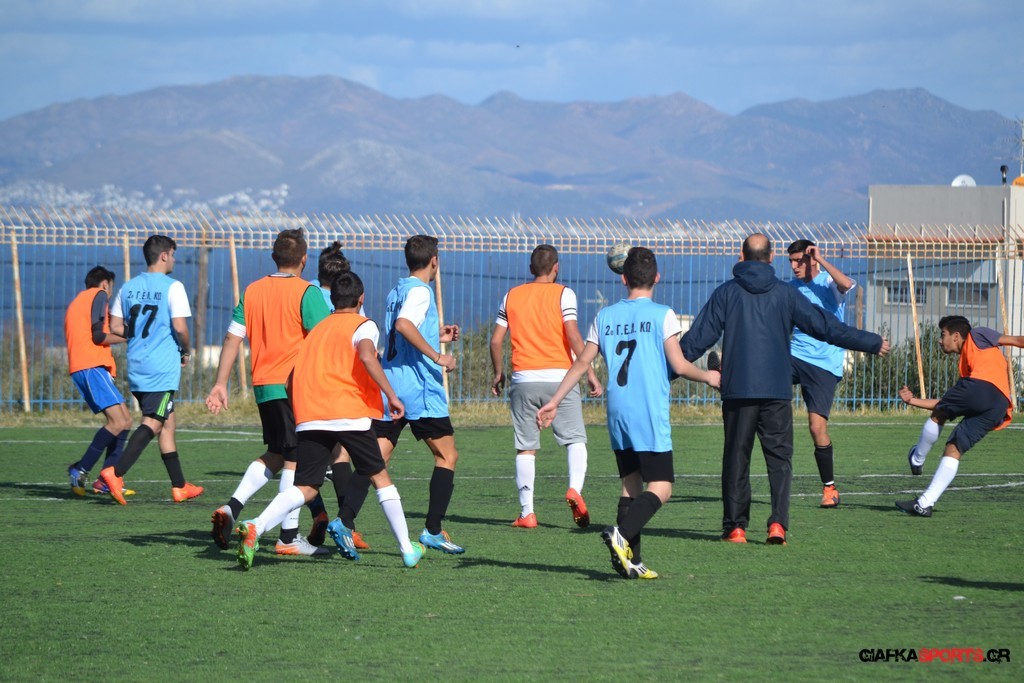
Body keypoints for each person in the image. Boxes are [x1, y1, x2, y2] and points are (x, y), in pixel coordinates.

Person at [680, 233, 888, 545]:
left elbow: (697, 339)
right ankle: (777, 524)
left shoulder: (726, 293)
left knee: (736, 458)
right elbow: (825, 326)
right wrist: (869, 341)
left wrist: (663, 370)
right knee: (779, 460)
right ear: (771, 256)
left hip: (738, 390)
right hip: (776, 390)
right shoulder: (785, 293)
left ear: (742, 255)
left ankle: (736, 528)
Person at [538, 247, 719, 579]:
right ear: (657, 278)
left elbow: (581, 363)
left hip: (618, 412)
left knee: (631, 485)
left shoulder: (604, 316)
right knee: (662, 486)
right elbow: (679, 365)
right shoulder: (663, 314)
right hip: (647, 410)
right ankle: (620, 535)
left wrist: (554, 401)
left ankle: (631, 561)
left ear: (623, 278)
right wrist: (709, 377)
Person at [235, 272, 425, 570]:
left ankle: (256, 525)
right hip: (349, 414)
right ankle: (407, 549)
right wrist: (391, 395)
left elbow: (290, 381)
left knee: (307, 487)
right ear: (361, 299)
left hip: (311, 416)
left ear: (332, 300)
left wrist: (303, 408)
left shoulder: (317, 330)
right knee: (381, 478)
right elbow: (366, 355)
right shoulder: (364, 325)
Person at [330, 235, 466, 555]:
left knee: (376, 459)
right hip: (419, 387)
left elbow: (399, 331)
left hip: (391, 384)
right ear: (434, 261)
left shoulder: (397, 290)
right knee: (447, 456)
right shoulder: (421, 290)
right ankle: (433, 531)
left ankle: (344, 521)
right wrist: (439, 356)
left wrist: (437, 334)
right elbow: (405, 325)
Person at [206, 228, 332, 556]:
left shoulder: (253, 291)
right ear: (304, 259)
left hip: (264, 386)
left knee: (278, 453)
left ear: (274, 257)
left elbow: (233, 337)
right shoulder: (307, 292)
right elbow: (325, 341)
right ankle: (287, 538)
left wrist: (220, 383)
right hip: (294, 388)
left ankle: (232, 507)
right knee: (295, 459)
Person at [489, 244, 603, 529]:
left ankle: (527, 513)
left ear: (531, 269)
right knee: (575, 439)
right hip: (561, 378)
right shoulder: (564, 293)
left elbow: (496, 340)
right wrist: (589, 372)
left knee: (526, 447)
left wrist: (499, 373)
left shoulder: (511, 295)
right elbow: (574, 336)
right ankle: (575, 489)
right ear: (556, 268)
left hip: (524, 379)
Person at [100, 235, 203, 504]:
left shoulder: (128, 287)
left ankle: (179, 486)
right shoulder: (173, 287)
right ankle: (116, 473)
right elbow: (180, 327)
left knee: (168, 423)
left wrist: (139, 335)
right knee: (154, 422)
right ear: (164, 255)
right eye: (173, 254)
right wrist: (186, 350)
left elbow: (115, 326)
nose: (175, 260)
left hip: (137, 365)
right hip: (162, 368)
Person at [896, 316, 1024, 516]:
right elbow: (947, 403)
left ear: (956, 336)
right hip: (999, 405)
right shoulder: (966, 365)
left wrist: (912, 401)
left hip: (982, 389)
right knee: (954, 448)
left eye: (943, 335)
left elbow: (1017, 340)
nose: (940, 340)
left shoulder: (977, 334)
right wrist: (913, 401)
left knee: (940, 414)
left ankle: (917, 458)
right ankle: (924, 504)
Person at [786, 239, 857, 508]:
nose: (794, 266)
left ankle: (829, 489)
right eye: (791, 261)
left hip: (824, 364)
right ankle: (727, 377)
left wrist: (821, 259)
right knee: (764, 371)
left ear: (811, 259)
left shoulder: (827, 282)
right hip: (795, 356)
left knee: (817, 428)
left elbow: (846, 284)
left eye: (799, 261)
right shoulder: (790, 289)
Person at [64, 266, 132, 496]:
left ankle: (106, 479)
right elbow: (98, 336)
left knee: (125, 421)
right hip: (90, 367)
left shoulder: (80, 301)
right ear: (105, 284)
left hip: (91, 367)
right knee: (117, 422)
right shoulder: (99, 295)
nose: (110, 293)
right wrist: (130, 337)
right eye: (111, 288)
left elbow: (103, 330)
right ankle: (80, 469)